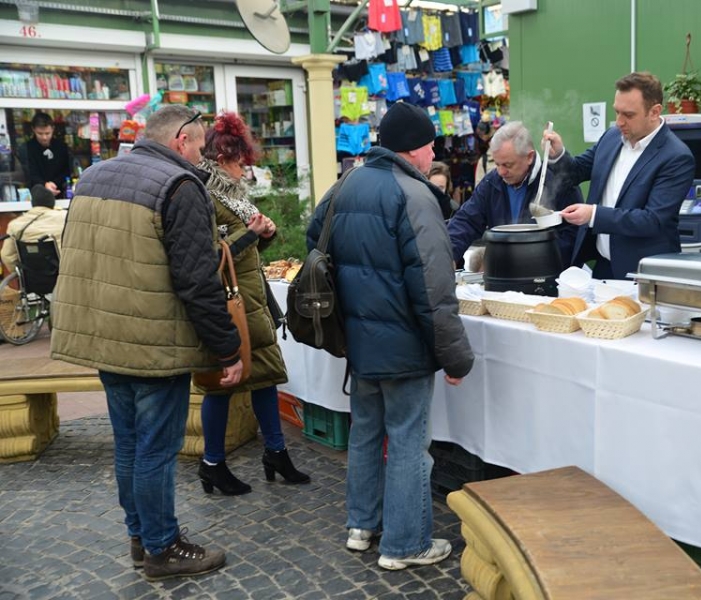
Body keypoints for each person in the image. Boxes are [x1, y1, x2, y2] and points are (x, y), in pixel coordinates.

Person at [50, 104, 241, 581]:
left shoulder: (93, 176)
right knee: (154, 449)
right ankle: (162, 547)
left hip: (104, 336)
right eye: (200, 146)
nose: (203, 155)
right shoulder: (179, 185)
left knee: (130, 446)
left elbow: (76, 255)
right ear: (180, 140)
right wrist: (227, 348)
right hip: (154, 343)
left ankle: (141, 537)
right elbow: (198, 280)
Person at [307, 101, 474, 571]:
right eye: (431, 146)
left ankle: (362, 527)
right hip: (404, 346)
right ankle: (404, 544)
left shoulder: (348, 183)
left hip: (359, 341)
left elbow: (315, 242)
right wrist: (457, 358)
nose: (434, 154)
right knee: (406, 442)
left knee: (365, 432)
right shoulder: (416, 196)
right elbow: (435, 290)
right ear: (414, 149)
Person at [196, 112, 310, 495]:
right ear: (220, 158)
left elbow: (245, 245)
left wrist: (265, 234)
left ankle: (276, 453)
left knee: (266, 377)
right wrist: (251, 233)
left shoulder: (232, 193)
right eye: (238, 162)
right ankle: (213, 463)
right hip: (228, 303)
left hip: (252, 299)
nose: (244, 169)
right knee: (220, 385)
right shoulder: (205, 195)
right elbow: (211, 256)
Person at [543, 72, 695, 279]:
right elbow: (576, 172)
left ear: (654, 112)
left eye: (629, 115)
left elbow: (652, 220)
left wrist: (594, 215)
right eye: (617, 112)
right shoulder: (612, 137)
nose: (619, 122)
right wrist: (558, 154)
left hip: (643, 273)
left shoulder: (676, 157)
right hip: (603, 267)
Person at [447, 121, 583, 267]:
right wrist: (449, 254)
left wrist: (535, 260)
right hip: (504, 271)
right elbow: (467, 220)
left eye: (508, 165)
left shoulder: (558, 181)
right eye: (497, 164)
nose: (501, 172)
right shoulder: (491, 182)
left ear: (529, 157)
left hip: (549, 273)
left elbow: (574, 234)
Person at [1, 184, 66, 274]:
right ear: (52, 202)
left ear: (33, 203)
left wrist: (21, 274)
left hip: (31, 279)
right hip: (62, 275)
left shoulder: (15, 225)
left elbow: (7, 256)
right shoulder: (65, 218)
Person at [25, 112, 71, 197]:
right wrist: (44, 184)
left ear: (53, 129)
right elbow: (29, 173)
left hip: (60, 192)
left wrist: (54, 183)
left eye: (47, 133)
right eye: (40, 133)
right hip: (36, 195)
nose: (44, 137)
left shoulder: (61, 147)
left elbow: (66, 170)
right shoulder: (27, 148)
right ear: (33, 129)